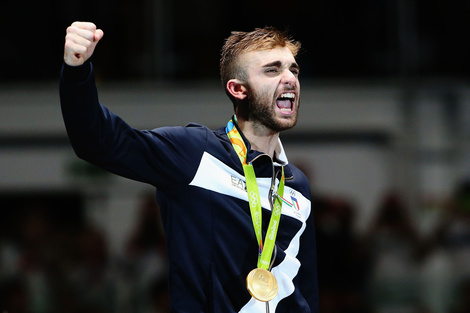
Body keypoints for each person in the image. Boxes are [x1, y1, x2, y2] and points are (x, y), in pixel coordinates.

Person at [60, 21, 318, 313]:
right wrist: (76, 70)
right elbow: (97, 141)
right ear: (238, 89)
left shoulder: (297, 184)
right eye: (273, 70)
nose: (290, 79)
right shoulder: (195, 153)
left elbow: (303, 289)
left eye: (293, 70)